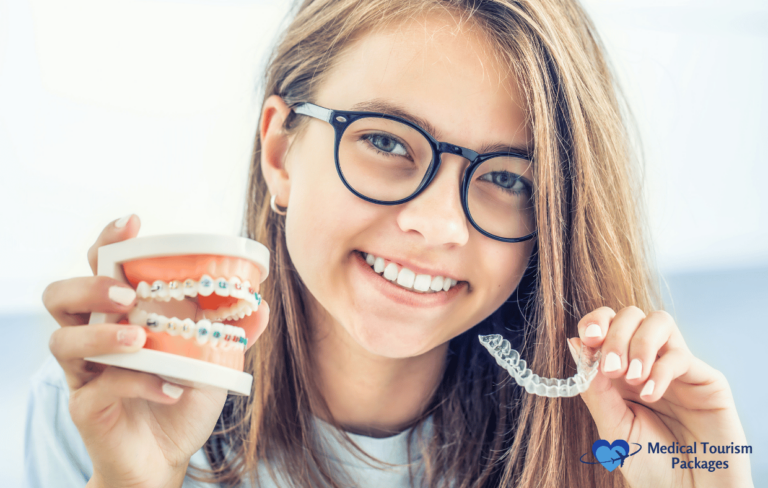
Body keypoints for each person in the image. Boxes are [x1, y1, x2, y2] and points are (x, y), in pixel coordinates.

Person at [27, 0, 753, 487]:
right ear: (281, 152)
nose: (438, 224)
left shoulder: (610, 445)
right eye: (383, 141)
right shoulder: (96, 409)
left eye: (510, 178)